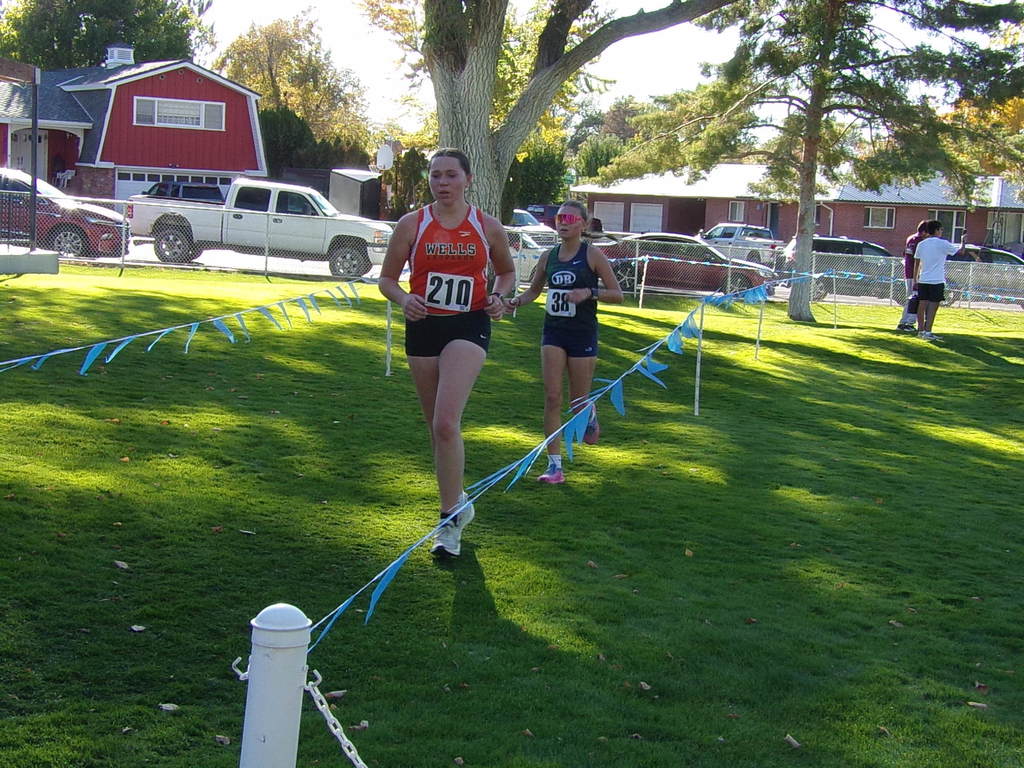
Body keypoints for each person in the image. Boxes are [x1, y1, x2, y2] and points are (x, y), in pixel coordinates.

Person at [379, 149, 516, 557]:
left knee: (445, 422)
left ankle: (447, 524)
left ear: (467, 180)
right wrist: (404, 301)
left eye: (451, 175)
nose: (442, 182)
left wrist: (498, 296)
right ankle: (460, 501)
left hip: (468, 323)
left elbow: (507, 273)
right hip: (423, 325)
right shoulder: (412, 224)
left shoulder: (487, 227)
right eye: (436, 175)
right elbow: (387, 280)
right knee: (436, 430)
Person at [505, 201, 623, 484]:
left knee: (577, 402)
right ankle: (555, 466)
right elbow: (534, 291)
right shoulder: (549, 256)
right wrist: (517, 301)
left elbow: (617, 294)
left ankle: (589, 411)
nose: (563, 222)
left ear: (583, 223)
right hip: (553, 333)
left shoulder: (592, 256)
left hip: (581, 333)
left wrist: (589, 292)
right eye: (559, 218)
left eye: (569, 218)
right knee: (552, 397)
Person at [913, 219, 962, 342]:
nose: (941, 232)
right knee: (933, 306)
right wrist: (963, 241)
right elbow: (960, 252)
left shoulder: (922, 244)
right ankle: (927, 331)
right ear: (936, 230)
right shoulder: (942, 243)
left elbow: (917, 262)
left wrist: (915, 279)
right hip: (937, 280)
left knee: (922, 304)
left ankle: (920, 330)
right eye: (940, 229)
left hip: (923, 279)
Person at [897, 220, 929, 331]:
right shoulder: (920, 241)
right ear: (925, 232)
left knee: (911, 297)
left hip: (908, 272)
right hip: (914, 274)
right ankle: (907, 323)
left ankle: (905, 322)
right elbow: (918, 260)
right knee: (914, 299)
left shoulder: (910, 238)